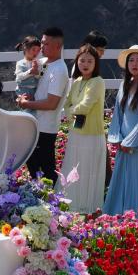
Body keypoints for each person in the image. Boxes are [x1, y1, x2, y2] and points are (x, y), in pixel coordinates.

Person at [103, 45, 138, 216]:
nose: (134, 64)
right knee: (121, 181)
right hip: (123, 145)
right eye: (131, 60)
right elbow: (118, 115)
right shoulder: (124, 85)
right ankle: (118, 216)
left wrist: (130, 142)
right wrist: (118, 138)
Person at [57, 44, 106, 214]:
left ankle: (88, 207)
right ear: (77, 62)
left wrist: (71, 111)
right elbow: (66, 103)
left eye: (90, 61)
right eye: (82, 60)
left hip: (92, 135)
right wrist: (71, 112)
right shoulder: (77, 81)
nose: (85, 64)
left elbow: (85, 106)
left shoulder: (97, 82)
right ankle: (72, 205)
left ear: (96, 63)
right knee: (74, 169)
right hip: (76, 134)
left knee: (88, 172)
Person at [18, 27, 68, 185]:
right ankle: (40, 198)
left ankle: (52, 199)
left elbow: (51, 103)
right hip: (36, 123)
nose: (41, 47)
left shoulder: (59, 70)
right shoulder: (43, 62)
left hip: (46, 127)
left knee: (46, 171)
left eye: (46, 44)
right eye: (42, 43)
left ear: (58, 46)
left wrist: (26, 103)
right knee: (34, 168)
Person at [13, 36, 42, 115]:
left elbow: (41, 76)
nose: (36, 53)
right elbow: (19, 77)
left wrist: (37, 73)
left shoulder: (39, 63)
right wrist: (30, 71)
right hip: (23, 90)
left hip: (35, 91)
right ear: (25, 49)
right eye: (33, 50)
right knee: (26, 111)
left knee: (35, 111)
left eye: (38, 50)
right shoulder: (20, 63)